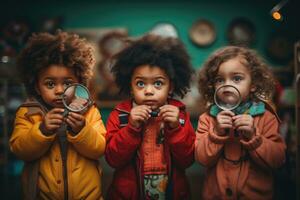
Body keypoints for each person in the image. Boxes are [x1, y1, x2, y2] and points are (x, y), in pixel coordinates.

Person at [9, 30, 106, 200]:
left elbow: (99, 149)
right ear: (37, 86)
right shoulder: (28, 113)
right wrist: (42, 130)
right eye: (50, 83)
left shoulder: (90, 111)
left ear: (79, 84)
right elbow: (20, 151)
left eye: (68, 83)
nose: (60, 90)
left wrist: (82, 130)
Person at [105, 34, 195, 199]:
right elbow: (113, 160)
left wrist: (176, 128)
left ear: (171, 87)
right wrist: (131, 128)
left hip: (171, 191)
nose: (149, 90)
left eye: (158, 83)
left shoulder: (180, 115)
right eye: (140, 83)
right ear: (130, 87)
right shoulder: (120, 115)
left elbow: (187, 160)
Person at [195, 46, 286, 199]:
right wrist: (215, 134)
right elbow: (201, 158)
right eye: (219, 80)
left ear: (253, 84)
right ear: (212, 86)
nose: (227, 85)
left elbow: (278, 160)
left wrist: (254, 137)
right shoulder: (208, 118)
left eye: (237, 78)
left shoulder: (266, 117)